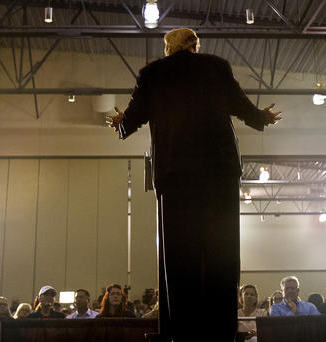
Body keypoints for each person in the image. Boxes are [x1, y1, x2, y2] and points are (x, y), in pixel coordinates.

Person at [108, 27, 281, 342]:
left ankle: (180, 330)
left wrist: (120, 125)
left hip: (175, 174)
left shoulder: (152, 73)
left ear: (168, 47)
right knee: (223, 250)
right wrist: (261, 118)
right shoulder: (216, 67)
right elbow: (241, 105)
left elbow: (132, 119)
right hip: (220, 171)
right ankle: (222, 329)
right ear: (193, 45)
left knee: (177, 256)